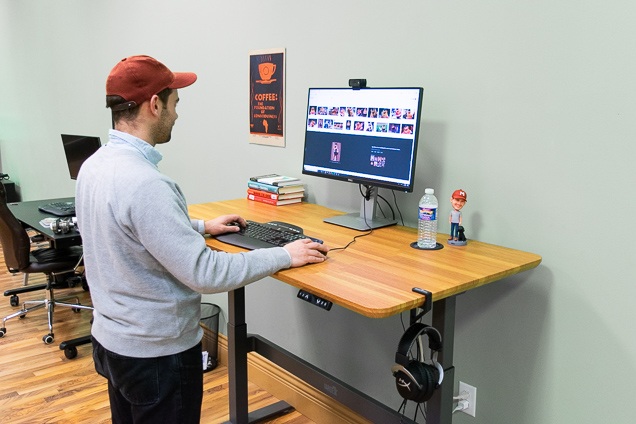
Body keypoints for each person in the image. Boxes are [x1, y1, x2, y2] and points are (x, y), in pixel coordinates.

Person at [75, 55, 329, 424]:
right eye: (176, 104)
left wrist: (198, 226)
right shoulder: (148, 184)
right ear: (155, 104)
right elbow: (205, 273)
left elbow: (121, 229)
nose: (177, 115)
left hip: (113, 343)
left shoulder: (95, 165)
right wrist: (284, 255)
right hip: (156, 356)